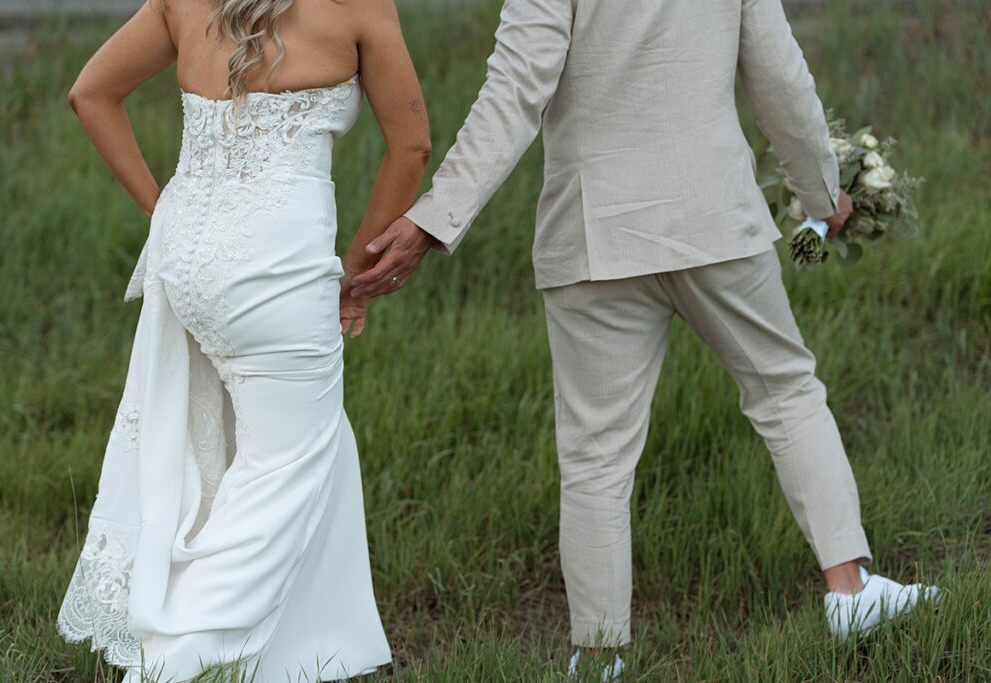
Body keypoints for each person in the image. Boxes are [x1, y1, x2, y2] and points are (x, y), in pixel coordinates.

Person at [350, 0, 939, 675]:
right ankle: (851, 590)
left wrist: (434, 219)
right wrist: (819, 192)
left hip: (594, 232)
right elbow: (779, 76)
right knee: (785, 390)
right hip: (714, 217)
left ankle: (597, 656)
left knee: (596, 453)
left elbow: (513, 91)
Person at [55, 0, 430, 680]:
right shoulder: (357, 6)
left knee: (306, 443)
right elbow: (412, 145)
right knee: (285, 464)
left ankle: (308, 651)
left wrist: (159, 207)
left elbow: (91, 93)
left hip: (191, 260)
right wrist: (358, 275)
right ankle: (179, 661)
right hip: (275, 271)